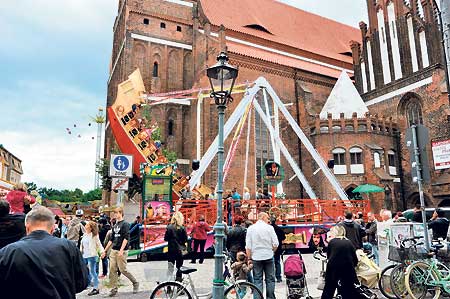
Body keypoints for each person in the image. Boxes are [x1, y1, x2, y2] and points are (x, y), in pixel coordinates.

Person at [0, 206, 88, 298]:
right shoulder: (69, 247)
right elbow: (82, 282)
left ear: (27, 227)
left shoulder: (8, 252)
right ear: (53, 229)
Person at [101, 207, 139, 297]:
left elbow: (126, 238)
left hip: (122, 250)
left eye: (117, 213)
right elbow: (111, 239)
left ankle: (135, 282)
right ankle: (113, 289)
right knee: (112, 270)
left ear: (121, 213)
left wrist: (122, 250)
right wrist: (105, 251)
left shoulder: (125, 224)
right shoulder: (115, 225)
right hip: (114, 250)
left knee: (123, 270)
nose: (115, 215)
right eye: (114, 213)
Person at [246, 212, 279, 299]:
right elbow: (276, 243)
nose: (268, 220)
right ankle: (270, 297)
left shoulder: (251, 228)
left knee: (257, 279)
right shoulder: (270, 228)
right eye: (267, 218)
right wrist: (272, 251)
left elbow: (248, 246)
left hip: (256, 257)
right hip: (268, 255)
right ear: (263, 217)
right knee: (270, 279)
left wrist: (249, 258)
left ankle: (258, 297)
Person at [321, 225, 359, 299]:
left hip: (333, 269)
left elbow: (329, 256)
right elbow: (354, 258)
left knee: (329, 288)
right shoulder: (349, 242)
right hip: (347, 268)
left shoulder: (332, 242)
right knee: (347, 288)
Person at [80, 221, 104, 296]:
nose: (85, 226)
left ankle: (96, 288)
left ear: (91, 228)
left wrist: (102, 252)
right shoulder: (84, 234)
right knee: (85, 270)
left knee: (92, 271)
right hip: (84, 256)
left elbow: (99, 245)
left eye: (87, 225)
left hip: (92, 256)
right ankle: (89, 283)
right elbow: (82, 245)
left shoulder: (94, 236)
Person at [164, 211, 188, 281]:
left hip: (171, 250)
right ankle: (178, 285)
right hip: (180, 251)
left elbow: (166, 238)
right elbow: (185, 240)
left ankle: (168, 285)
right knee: (179, 268)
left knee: (170, 268)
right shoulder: (182, 228)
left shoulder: (169, 227)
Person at [271, 216, 286, 283]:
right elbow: (283, 238)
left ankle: (271, 277)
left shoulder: (268, 229)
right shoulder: (279, 228)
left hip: (270, 248)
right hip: (278, 248)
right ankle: (279, 277)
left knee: (270, 263)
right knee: (277, 262)